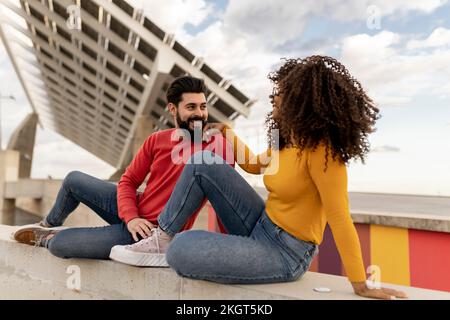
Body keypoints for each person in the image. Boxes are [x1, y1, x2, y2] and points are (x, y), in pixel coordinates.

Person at [110, 56, 408, 300]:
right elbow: (254, 166)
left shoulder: (322, 152)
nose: (274, 100)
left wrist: (361, 282)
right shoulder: (287, 140)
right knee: (203, 161)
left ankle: (170, 244)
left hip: (285, 252)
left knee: (183, 250)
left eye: (281, 95)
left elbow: (340, 217)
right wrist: (228, 132)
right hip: (261, 223)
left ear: (300, 102)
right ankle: (161, 238)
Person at [13, 76, 233, 261]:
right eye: (191, 107)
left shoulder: (218, 147)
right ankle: (48, 224)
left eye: (203, 107)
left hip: (151, 233)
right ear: (173, 109)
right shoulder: (157, 140)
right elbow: (128, 181)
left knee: (60, 245)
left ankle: (49, 237)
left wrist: (230, 245)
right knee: (73, 180)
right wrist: (131, 217)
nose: (200, 113)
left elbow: (226, 199)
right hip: (136, 210)